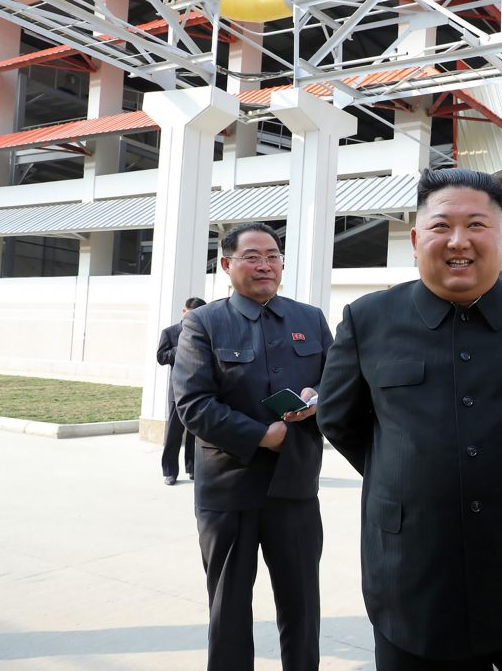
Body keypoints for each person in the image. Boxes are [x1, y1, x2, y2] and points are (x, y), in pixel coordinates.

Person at [317, 168, 502, 671]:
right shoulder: (368, 320)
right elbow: (340, 420)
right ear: (414, 238)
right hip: (416, 578)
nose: (458, 241)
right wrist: (408, 474)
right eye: (441, 226)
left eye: (476, 225)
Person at [172, 222, 332, 671]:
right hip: (229, 489)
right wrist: (262, 435)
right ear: (227, 265)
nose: (265, 265)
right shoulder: (204, 323)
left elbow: (338, 380)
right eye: (252, 256)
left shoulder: (309, 318)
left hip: (296, 486)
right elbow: (193, 404)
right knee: (229, 607)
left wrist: (318, 398)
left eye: (273, 255)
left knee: (302, 605)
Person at [156, 296, 207, 485]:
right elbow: (161, 357)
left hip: (200, 390)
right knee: (173, 434)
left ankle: (192, 468)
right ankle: (169, 471)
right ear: (184, 312)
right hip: (178, 391)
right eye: (192, 314)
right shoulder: (170, 332)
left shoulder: (205, 331)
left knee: (195, 433)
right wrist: (181, 347)